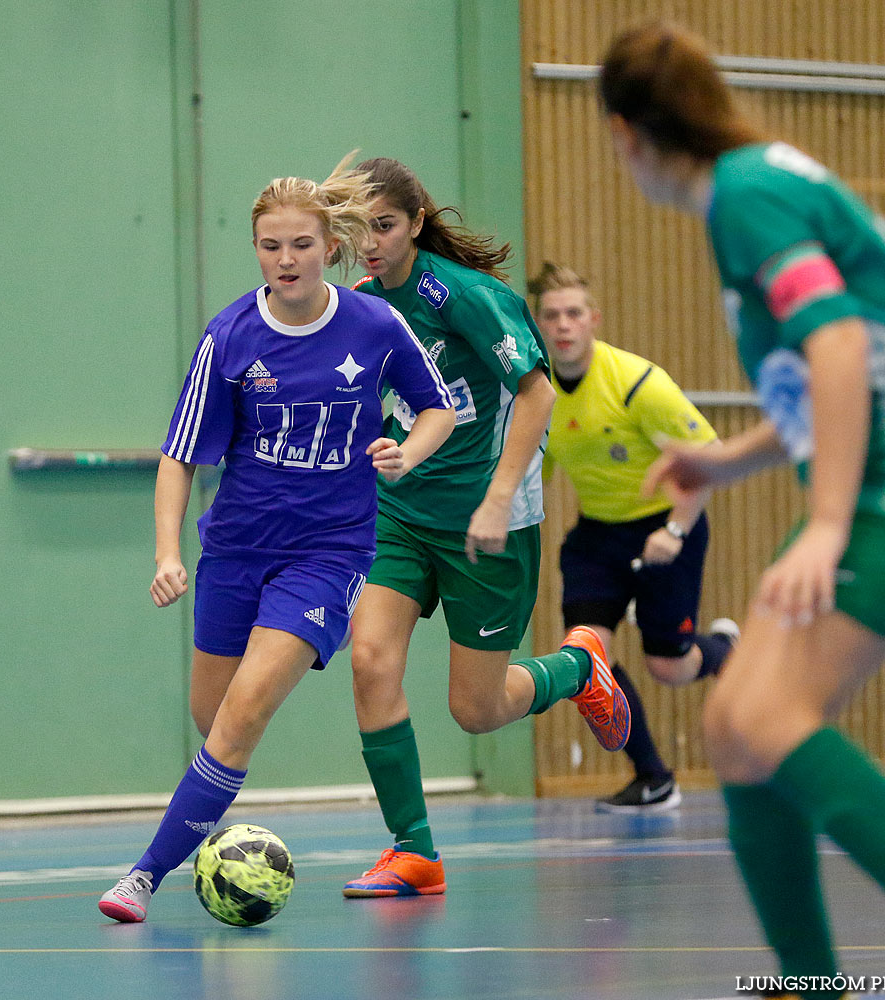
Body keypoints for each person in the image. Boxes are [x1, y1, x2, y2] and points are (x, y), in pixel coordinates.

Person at [599, 20, 885, 999]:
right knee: (738, 725)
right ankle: (812, 981)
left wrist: (827, 523)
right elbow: (833, 373)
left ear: (627, 135)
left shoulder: (746, 196)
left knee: (767, 713)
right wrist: (726, 459)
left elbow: (835, 340)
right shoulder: (760, 184)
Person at [97, 156, 458, 923]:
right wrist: (168, 553)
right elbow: (179, 458)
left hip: (329, 553)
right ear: (256, 249)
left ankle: (142, 876)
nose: (285, 260)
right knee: (214, 714)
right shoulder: (228, 336)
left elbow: (438, 410)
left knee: (247, 708)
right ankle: (209, 824)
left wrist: (407, 452)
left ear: (330, 246)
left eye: (299, 244)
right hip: (235, 551)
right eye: (269, 246)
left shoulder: (374, 324)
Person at [339, 157, 629, 900]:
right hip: (401, 514)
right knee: (370, 660)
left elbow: (535, 395)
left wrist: (499, 497)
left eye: (386, 225)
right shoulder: (363, 305)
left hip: (484, 518)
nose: (371, 242)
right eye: (360, 228)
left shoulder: (464, 295)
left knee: (476, 709)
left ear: (415, 222)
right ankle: (414, 851)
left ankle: (575, 667)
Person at [530, 260, 738, 814]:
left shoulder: (636, 382)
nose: (563, 325)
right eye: (551, 316)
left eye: (573, 313)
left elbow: (712, 458)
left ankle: (723, 650)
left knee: (668, 665)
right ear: (539, 325)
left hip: (666, 527)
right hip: (598, 537)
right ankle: (653, 777)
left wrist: (674, 529)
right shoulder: (538, 394)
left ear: (593, 318)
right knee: (587, 652)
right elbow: (532, 475)